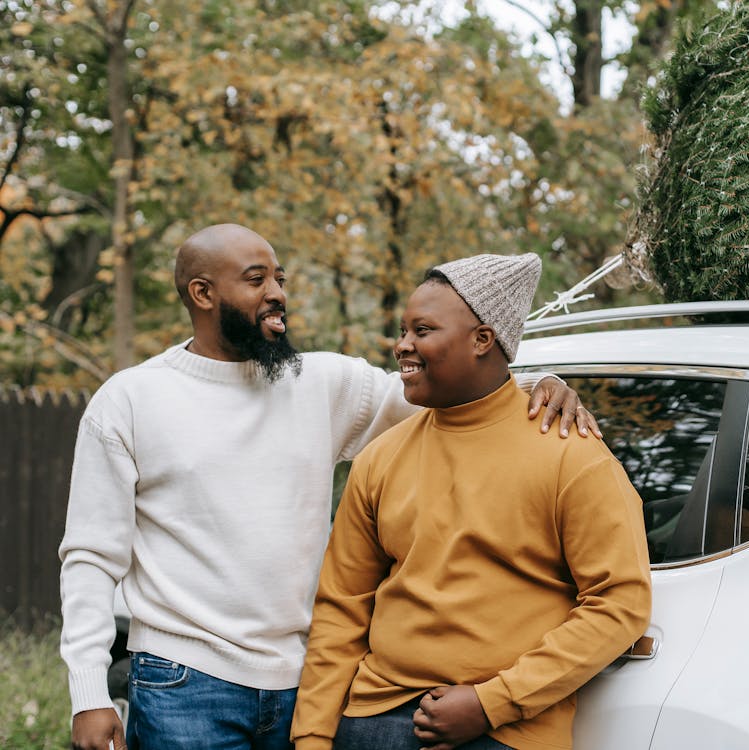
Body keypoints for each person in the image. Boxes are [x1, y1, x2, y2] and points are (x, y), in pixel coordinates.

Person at [59, 224, 600, 750]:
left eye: (280, 278)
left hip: (306, 683)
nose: (277, 294)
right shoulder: (131, 400)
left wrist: (538, 385)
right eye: (256, 280)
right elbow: (90, 555)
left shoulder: (320, 382)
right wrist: (88, 692)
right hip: (185, 682)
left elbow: (450, 391)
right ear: (202, 293)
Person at [290, 253, 652, 750]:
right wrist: (312, 736)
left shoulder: (572, 455)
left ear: (483, 339)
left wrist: (491, 704)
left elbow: (620, 604)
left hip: (502, 731)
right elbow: (342, 608)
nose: (402, 346)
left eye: (423, 330)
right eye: (403, 330)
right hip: (369, 721)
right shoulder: (380, 458)